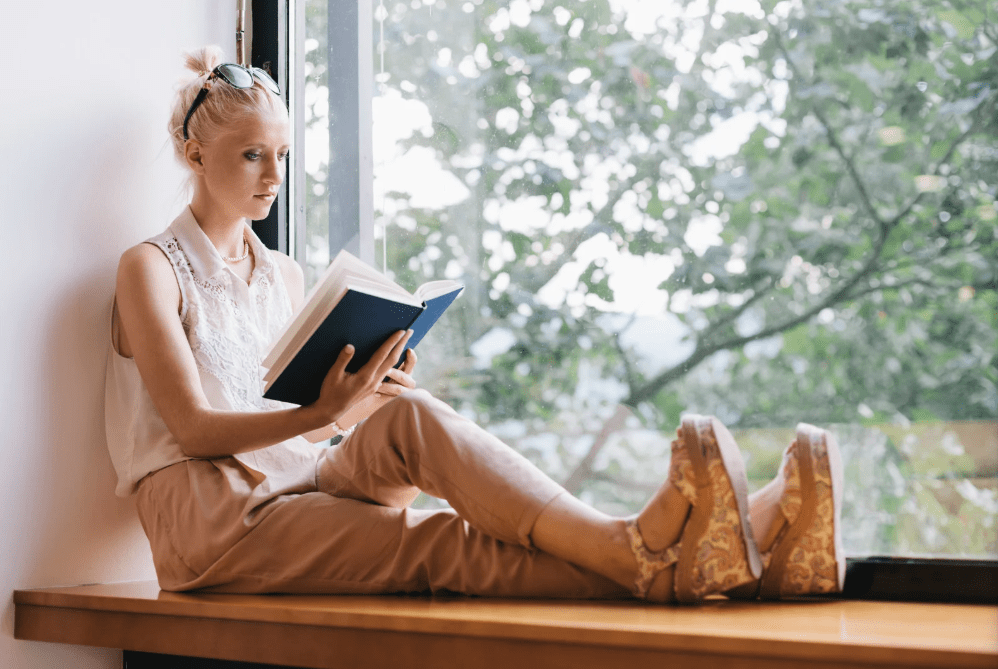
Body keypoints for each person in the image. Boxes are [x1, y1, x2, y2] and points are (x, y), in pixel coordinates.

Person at [105, 45, 845, 604]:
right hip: (209, 526)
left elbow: (304, 432)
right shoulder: (151, 268)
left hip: (293, 483)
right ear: (197, 155)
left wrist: (361, 396)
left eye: (283, 155)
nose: (273, 174)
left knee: (414, 419)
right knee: (440, 539)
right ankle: (659, 556)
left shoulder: (284, 273)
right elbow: (197, 430)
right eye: (253, 155)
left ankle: (681, 554)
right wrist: (322, 411)